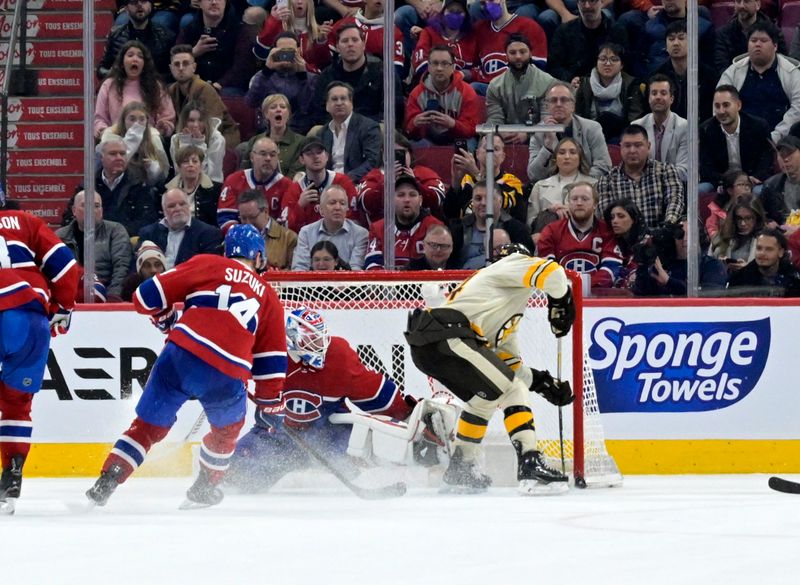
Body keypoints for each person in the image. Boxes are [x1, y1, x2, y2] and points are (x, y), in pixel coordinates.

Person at [85, 224, 288, 508]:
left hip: (180, 356)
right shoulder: (268, 296)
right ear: (258, 257)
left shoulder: (206, 263)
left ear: (226, 251)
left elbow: (144, 297)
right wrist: (269, 404)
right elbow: (271, 364)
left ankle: (107, 481)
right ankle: (205, 488)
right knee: (227, 431)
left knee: (146, 427)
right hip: (225, 373)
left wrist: (166, 316)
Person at [404, 244, 575, 494]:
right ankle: (530, 462)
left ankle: (461, 468)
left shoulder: (496, 303)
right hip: (449, 335)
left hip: (430, 347)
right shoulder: (512, 262)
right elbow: (555, 272)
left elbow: (505, 364)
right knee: (512, 390)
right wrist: (561, 303)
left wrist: (541, 382)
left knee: (484, 398)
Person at [227, 308, 452, 491]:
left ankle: (417, 472)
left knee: (351, 473)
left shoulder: (337, 356)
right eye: (312, 342)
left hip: (328, 433)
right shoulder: (269, 354)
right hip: (276, 434)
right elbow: (230, 367)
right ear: (292, 341)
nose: (320, 347)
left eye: (321, 338)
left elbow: (374, 392)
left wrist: (407, 412)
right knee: (238, 475)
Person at [0, 203, 78, 513]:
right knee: (17, 404)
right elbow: (65, 266)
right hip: (31, 317)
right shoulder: (24, 221)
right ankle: (13, 473)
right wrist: (64, 306)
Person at [718, 22, 800, 145]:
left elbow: (797, 109)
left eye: (763, 40)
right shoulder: (733, 71)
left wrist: (775, 137)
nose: (757, 44)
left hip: (782, 142)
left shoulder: (791, 72)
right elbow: (720, 104)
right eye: (753, 40)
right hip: (739, 140)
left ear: (775, 46)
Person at [311, 24, 404, 125]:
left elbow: (392, 112)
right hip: (336, 128)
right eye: (345, 41)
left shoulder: (384, 73)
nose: (350, 44)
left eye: (355, 40)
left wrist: (357, 126)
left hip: (373, 129)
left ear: (363, 45)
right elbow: (319, 113)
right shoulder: (327, 75)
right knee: (314, 132)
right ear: (337, 47)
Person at [596, 124, 685, 229]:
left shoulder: (666, 171)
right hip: (623, 240)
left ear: (648, 146)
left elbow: (675, 200)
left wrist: (668, 226)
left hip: (661, 237)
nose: (632, 150)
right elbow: (607, 215)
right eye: (627, 146)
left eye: (638, 145)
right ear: (620, 147)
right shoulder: (607, 180)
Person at [536, 181, 621, 289]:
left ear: (595, 204)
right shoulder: (551, 231)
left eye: (585, 199)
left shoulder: (607, 231)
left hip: (599, 296)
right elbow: (547, 269)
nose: (579, 203)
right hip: (562, 295)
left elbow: (611, 269)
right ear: (568, 203)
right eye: (574, 199)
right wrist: (568, 287)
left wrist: (583, 286)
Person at [527, 81, 612, 183]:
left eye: (564, 100)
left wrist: (578, 184)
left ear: (573, 106)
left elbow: (603, 165)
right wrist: (547, 147)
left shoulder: (591, 128)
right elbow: (533, 175)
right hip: (551, 190)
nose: (558, 104)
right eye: (553, 100)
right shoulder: (539, 133)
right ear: (547, 106)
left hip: (585, 188)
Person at [357, 132, 447, 224]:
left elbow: (437, 200)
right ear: (383, 155)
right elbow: (365, 204)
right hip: (384, 230)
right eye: (391, 152)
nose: (396, 157)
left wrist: (414, 183)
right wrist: (386, 181)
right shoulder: (373, 176)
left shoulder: (424, 173)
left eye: (401, 152)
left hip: (421, 230)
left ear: (410, 154)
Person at [56, 191, 132, 299]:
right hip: (70, 296)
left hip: (107, 294)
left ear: (101, 211)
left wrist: (113, 296)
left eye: (96, 206)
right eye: (85, 205)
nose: (91, 210)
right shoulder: (60, 236)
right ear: (74, 211)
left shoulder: (115, 231)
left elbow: (122, 267)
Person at [94, 40, 176, 140]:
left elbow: (168, 119)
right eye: (130, 55)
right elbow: (100, 119)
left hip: (148, 139)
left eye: (140, 56)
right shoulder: (109, 85)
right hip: (117, 139)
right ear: (122, 62)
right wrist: (103, 132)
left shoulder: (156, 86)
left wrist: (162, 128)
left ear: (144, 64)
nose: (135, 59)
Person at [699, 85, 775, 192]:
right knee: (699, 190)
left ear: (738, 105)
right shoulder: (706, 130)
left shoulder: (758, 126)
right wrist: (729, 183)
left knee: (759, 191)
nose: (721, 111)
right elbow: (706, 169)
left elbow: (767, 162)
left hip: (752, 181)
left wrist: (747, 181)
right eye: (717, 106)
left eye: (726, 105)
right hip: (721, 182)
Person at [175, 0, 259, 96]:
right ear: (199, 3)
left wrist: (216, 86)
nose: (214, 2)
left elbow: (242, 68)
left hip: (227, 87)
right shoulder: (189, 29)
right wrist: (193, 53)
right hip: (194, 84)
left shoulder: (241, 30)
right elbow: (175, 60)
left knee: (227, 94)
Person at [167, 44, 241, 149]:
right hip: (189, 137)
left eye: (186, 63)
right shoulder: (171, 90)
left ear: (194, 67)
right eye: (177, 64)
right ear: (171, 68)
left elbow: (213, 124)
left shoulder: (204, 88)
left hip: (220, 139)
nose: (181, 68)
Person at [404, 45, 481, 146]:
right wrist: (415, 123)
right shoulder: (417, 93)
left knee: (468, 144)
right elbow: (408, 130)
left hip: (458, 138)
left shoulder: (467, 92)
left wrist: (453, 124)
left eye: (444, 64)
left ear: (453, 67)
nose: (439, 68)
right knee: (415, 146)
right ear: (428, 66)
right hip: (428, 139)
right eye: (435, 63)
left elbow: (472, 129)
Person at [485, 33, 557, 141]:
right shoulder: (495, 85)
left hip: (540, 140)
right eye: (513, 53)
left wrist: (527, 135)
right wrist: (500, 132)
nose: (518, 56)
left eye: (523, 52)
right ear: (506, 56)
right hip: (506, 138)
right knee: (488, 140)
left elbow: (547, 121)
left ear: (530, 54)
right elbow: (495, 119)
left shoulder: (548, 82)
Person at [246, 31, 319, 136]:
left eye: (290, 51)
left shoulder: (311, 78)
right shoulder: (263, 76)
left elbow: (306, 108)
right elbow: (251, 102)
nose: (285, 55)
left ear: (298, 51)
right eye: (281, 51)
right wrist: (267, 71)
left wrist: (302, 77)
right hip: (267, 132)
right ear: (273, 51)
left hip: (300, 133)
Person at [364, 175, 444, 269]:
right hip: (388, 283)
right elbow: (372, 266)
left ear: (421, 200)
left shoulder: (436, 228)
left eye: (412, 195)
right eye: (401, 195)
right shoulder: (377, 228)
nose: (407, 200)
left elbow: (438, 266)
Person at [280, 137, 358, 233]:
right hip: (306, 243)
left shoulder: (343, 182)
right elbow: (285, 229)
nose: (315, 157)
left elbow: (354, 220)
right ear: (301, 159)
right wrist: (299, 206)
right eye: (309, 153)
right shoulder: (294, 190)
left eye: (319, 152)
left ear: (327, 156)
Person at [631, 219, 728, 296]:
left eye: (691, 234)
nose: (685, 239)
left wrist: (669, 281)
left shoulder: (712, 265)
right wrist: (642, 266)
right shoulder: (663, 265)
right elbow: (641, 292)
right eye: (680, 234)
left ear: (699, 237)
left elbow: (709, 294)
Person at [527, 136, 596, 244]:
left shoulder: (593, 185)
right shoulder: (540, 186)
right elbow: (530, 223)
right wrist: (549, 212)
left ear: (580, 158)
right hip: (547, 238)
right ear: (555, 158)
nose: (567, 157)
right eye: (562, 152)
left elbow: (599, 219)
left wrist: (573, 210)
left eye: (573, 152)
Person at [218, 136, 295, 228]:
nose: (268, 158)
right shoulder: (234, 180)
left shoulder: (287, 185)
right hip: (239, 238)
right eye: (263, 154)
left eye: (273, 155)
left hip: (274, 240)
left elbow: (285, 222)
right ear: (252, 157)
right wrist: (243, 236)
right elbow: (225, 217)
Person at [574, 43, 645, 144]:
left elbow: (634, 120)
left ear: (622, 65)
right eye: (603, 59)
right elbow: (577, 117)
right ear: (596, 63)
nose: (608, 63)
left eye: (614, 59)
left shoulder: (631, 85)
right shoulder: (584, 84)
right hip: (588, 137)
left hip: (621, 138)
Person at [313, 81, 382, 184]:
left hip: (357, 182)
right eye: (334, 99)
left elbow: (372, 161)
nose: (339, 103)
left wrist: (346, 179)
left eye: (343, 98)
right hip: (328, 185)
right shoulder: (322, 133)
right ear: (327, 106)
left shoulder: (368, 127)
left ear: (351, 103)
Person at [451, 181, 531, 269]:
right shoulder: (457, 229)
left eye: (489, 199)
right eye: (478, 199)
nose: (483, 203)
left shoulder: (517, 230)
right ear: (472, 202)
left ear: (500, 202)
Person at [137, 188, 224, 269]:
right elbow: (138, 268)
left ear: (189, 206)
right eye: (172, 206)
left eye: (182, 204)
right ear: (163, 210)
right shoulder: (148, 234)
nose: (178, 209)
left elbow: (210, 269)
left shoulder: (209, 234)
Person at [447, 135, 525, 222]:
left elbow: (503, 204)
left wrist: (476, 174)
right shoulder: (466, 180)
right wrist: (456, 182)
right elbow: (449, 214)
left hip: (499, 231)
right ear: (477, 154)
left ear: (503, 157)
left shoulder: (512, 182)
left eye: (495, 149)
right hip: (467, 232)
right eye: (486, 148)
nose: (490, 152)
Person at [94, 135, 161, 237]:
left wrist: (118, 234)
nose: (119, 158)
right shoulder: (90, 184)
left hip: (128, 241)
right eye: (113, 154)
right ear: (102, 158)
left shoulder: (139, 184)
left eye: (122, 154)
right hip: (95, 240)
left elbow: (147, 220)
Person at [548, 0, 628, 85]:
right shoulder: (563, 32)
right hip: (574, 87)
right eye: (582, 1)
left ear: (602, 2)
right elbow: (555, 66)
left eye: (592, 1)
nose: (587, 6)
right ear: (578, 4)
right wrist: (570, 79)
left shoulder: (617, 32)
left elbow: (625, 64)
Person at [292, 184, 368, 271]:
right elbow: (300, 268)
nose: (338, 207)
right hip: (312, 283)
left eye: (342, 203)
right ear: (321, 209)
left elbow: (356, 271)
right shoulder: (306, 232)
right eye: (332, 203)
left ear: (347, 209)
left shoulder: (360, 234)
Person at [471, 0, 548, 86]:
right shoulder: (479, 29)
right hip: (488, 87)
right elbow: (473, 65)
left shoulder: (529, 27)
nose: (488, 6)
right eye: (483, 3)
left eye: (491, 1)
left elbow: (538, 68)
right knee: (474, 87)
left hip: (519, 86)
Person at [655, 20, 717, 123]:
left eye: (681, 38)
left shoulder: (708, 76)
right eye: (671, 39)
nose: (675, 43)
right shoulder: (658, 76)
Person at [630, 74, 689, 182]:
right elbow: (633, 167)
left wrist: (655, 177)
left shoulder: (684, 127)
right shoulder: (637, 126)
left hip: (675, 186)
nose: (658, 97)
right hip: (643, 187)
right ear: (648, 98)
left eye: (663, 93)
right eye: (654, 93)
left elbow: (684, 170)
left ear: (671, 99)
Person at [99, 0, 176, 80]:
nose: (139, 5)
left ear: (150, 6)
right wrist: (115, 74)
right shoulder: (115, 35)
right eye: (134, 1)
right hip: (123, 87)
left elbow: (171, 73)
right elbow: (101, 70)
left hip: (154, 88)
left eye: (144, 1)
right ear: (126, 8)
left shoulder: (165, 36)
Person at [326, 0, 405, 77]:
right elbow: (325, 61)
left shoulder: (393, 32)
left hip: (375, 84)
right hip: (341, 81)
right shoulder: (343, 24)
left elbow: (396, 70)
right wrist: (321, 42)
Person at [254, 0, 332, 74]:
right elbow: (260, 54)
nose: (300, 1)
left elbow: (324, 66)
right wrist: (273, 21)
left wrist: (321, 42)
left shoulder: (319, 31)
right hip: (278, 81)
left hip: (307, 82)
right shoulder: (276, 26)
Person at [239, 94, 305, 179]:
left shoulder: (301, 142)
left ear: (288, 114)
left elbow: (296, 175)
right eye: (273, 107)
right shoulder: (255, 141)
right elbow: (243, 173)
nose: (278, 110)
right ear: (266, 114)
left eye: (283, 107)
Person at [410, 0, 477, 82]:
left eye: (459, 12)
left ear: (466, 15)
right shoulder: (429, 33)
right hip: (430, 83)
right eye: (451, 11)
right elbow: (420, 62)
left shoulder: (472, 39)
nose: (454, 15)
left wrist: (465, 74)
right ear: (443, 12)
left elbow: (478, 69)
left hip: (460, 88)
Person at [715, 0, 786, 74]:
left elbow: (783, 64)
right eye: (738, 2)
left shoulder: (774, 32)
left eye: (747, 1)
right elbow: (722, 68)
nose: (741, 6)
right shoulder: (723, 34)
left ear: (758, 5)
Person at [727, 228, 800, 296]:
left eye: (769, 249)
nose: (762, 253)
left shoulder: (795, 279)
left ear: (781, 252)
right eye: (759, 248)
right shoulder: (738, 280)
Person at [237, 189, 297, 270]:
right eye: (243, 218)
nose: (248, 223)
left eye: (252, 217)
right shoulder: (235, 238)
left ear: (266, 212)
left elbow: (295, 273)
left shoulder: (289, 238)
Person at [169, 102, 226, 183]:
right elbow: (179, 172)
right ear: (184, 122)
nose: (196, 125)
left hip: (210, 186)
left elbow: (211, 176)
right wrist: (185, 142)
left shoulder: (217, 140)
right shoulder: (175, 139)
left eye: (200, 120)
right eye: (191, 120)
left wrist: (199, 143)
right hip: (183, 186)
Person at [166, 144, 221, 227]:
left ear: (201, 165)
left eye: (195, 161)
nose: (190, 165)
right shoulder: (166, 190)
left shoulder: (215, 190)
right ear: (178, 167)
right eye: (185, 161)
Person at [709, 196, 766, 274]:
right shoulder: (720, 238)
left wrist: (747, 269)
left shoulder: (768, 240)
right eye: (739, 218)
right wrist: (721, 266)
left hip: (754, 284)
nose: (743, 223)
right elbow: (708, 268)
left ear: (757, 218)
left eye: (748, 218)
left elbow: (771, 272)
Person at [603, 197, 646, 288]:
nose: (614, 221)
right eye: (612, 217)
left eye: (621, 216)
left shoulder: (647, 242)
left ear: (634, 219)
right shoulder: (611, 242)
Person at [759, 136, 800, 230]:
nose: (785, 159)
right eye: (781, 155)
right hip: (781, 233)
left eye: (789, 154)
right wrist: (769, 222)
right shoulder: (771, 185)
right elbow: (761, 214)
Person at [705, 170, 753, 241]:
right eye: (741, 185)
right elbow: (712, 229)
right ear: (730, 190)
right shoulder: (717, 208)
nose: (746, 188)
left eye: (748, 185)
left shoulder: (754, 205)